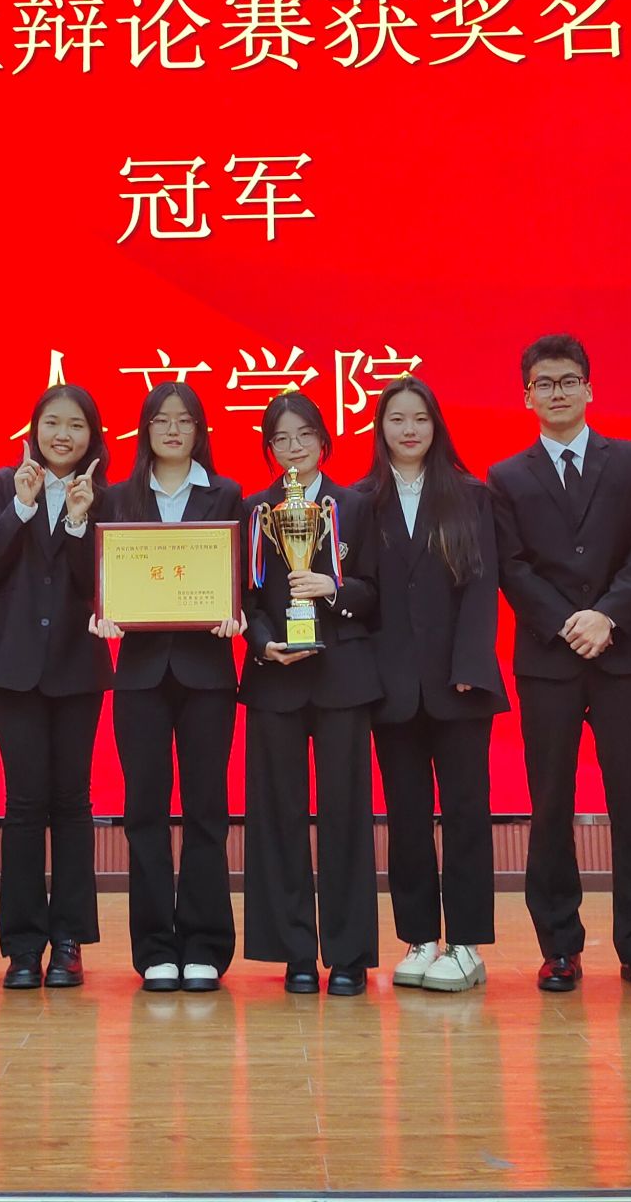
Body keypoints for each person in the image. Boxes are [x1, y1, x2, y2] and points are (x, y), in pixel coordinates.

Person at [489, 334, 631, 996]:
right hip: (549, 660)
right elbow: (512, 566)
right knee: (550, 805)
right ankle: (559, 948)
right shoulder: (506, 477)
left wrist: (607, 617)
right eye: (545, 383)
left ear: (590, 389)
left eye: (569, 381)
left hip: (621, 656)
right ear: (527, 396)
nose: (558, 392)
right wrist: (569, 622)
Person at [91, 381, 246, 992]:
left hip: (208, 674)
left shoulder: (225, 494)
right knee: (144, 813)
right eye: (162, 420)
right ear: (146, 430)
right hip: (141, 676)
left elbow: (241, 577)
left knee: (207, 810)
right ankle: (155, 946)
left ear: (200, 430)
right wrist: (104, 612)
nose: (173, 430)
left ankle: (205, 944)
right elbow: (101, 577)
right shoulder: (118, 496)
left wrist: (235, 612)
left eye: (185, 420)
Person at [357, 377, 507, 993]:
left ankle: (466, 942)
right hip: (391, 687)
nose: (409, 429)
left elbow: (482, 586)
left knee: (466, 812)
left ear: (436, 424)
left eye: (419, 418)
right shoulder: (361, 500)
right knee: (407, 816)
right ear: (381, 429)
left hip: (458, 683)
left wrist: (470, 665)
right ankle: (419, 936)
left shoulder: (470, 495)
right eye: (397, 419)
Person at [0, 385, 109, 989]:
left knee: (72, 802)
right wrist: (22, 508)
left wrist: (78, 520)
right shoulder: (5, 484)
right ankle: (22, 946)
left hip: (77, 666)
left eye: (75, 425)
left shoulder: (104, 494)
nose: (62, 435)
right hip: (12, 667)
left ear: (91, 435)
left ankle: (69, 940)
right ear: (34, 429)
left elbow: (94, 582)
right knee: (24, 803)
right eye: (52, 423)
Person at [240, 392, 382, 996]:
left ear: (324, 441)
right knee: (277, 816)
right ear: (269, 448)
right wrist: (263, 643)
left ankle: (349, 955)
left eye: (303, 436)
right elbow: (243, 596)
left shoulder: (356, 505)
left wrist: (334, 589)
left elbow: (377, 593)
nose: (292, 447)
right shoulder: (255, 510)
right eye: (280, 438)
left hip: (343, 678)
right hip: (275, 677)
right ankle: (294, 952)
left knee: (346, 815)